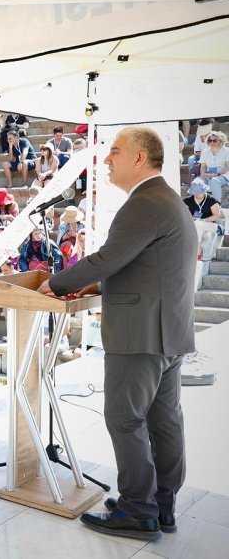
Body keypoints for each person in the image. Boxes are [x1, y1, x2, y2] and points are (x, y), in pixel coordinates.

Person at [37, 127, 196, 541]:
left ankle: (137, 510)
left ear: (140, 158)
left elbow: (108, 258)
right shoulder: (166, 200)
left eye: (115, 152)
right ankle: (161, 505)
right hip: (167, 331)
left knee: (125, 419)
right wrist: (95, 285)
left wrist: (54, 284)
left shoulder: (144, 203)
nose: (107, 159)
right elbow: (145, 267)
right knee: (164, 421)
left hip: (140, 334)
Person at [184, 177, 222, 261]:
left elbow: (216, 216)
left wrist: (203, 220)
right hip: (194, 225)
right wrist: (193, 219)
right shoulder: (188, 201)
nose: (197, 194)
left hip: (209, 224)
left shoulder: (211, 200)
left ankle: (197, 252)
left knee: (198, 224)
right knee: (198, 226)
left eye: (199, 192)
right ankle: (198, 252)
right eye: (195, 192)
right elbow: (185, 214)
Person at [198, 130, 229, 201]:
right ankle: (200, 205)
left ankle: (217, 204)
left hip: (223, 175)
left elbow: (228, 167)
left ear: (220, 141)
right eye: (210, 140)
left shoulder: (227, 151)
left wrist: (217, 174)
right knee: (197, 182)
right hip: (208, 174)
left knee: (214, 181)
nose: (212, 142)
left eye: (214, 141)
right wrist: (203, 174)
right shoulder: (205, 152)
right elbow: (203, 166)